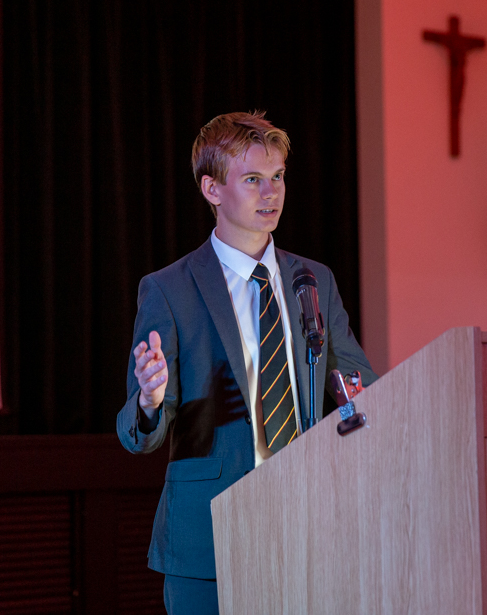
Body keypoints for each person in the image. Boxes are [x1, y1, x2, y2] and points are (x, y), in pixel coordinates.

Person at [116, 111, 377, 615]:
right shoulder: (169, 289)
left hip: (311, 525)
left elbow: (355, 382)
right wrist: (149, 400)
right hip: (208, 533)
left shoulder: (313, 280)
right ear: (212, 190)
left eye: (278, 177)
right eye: (253, 179)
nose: (271, 192)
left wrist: (364, 404)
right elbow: (138, 433)